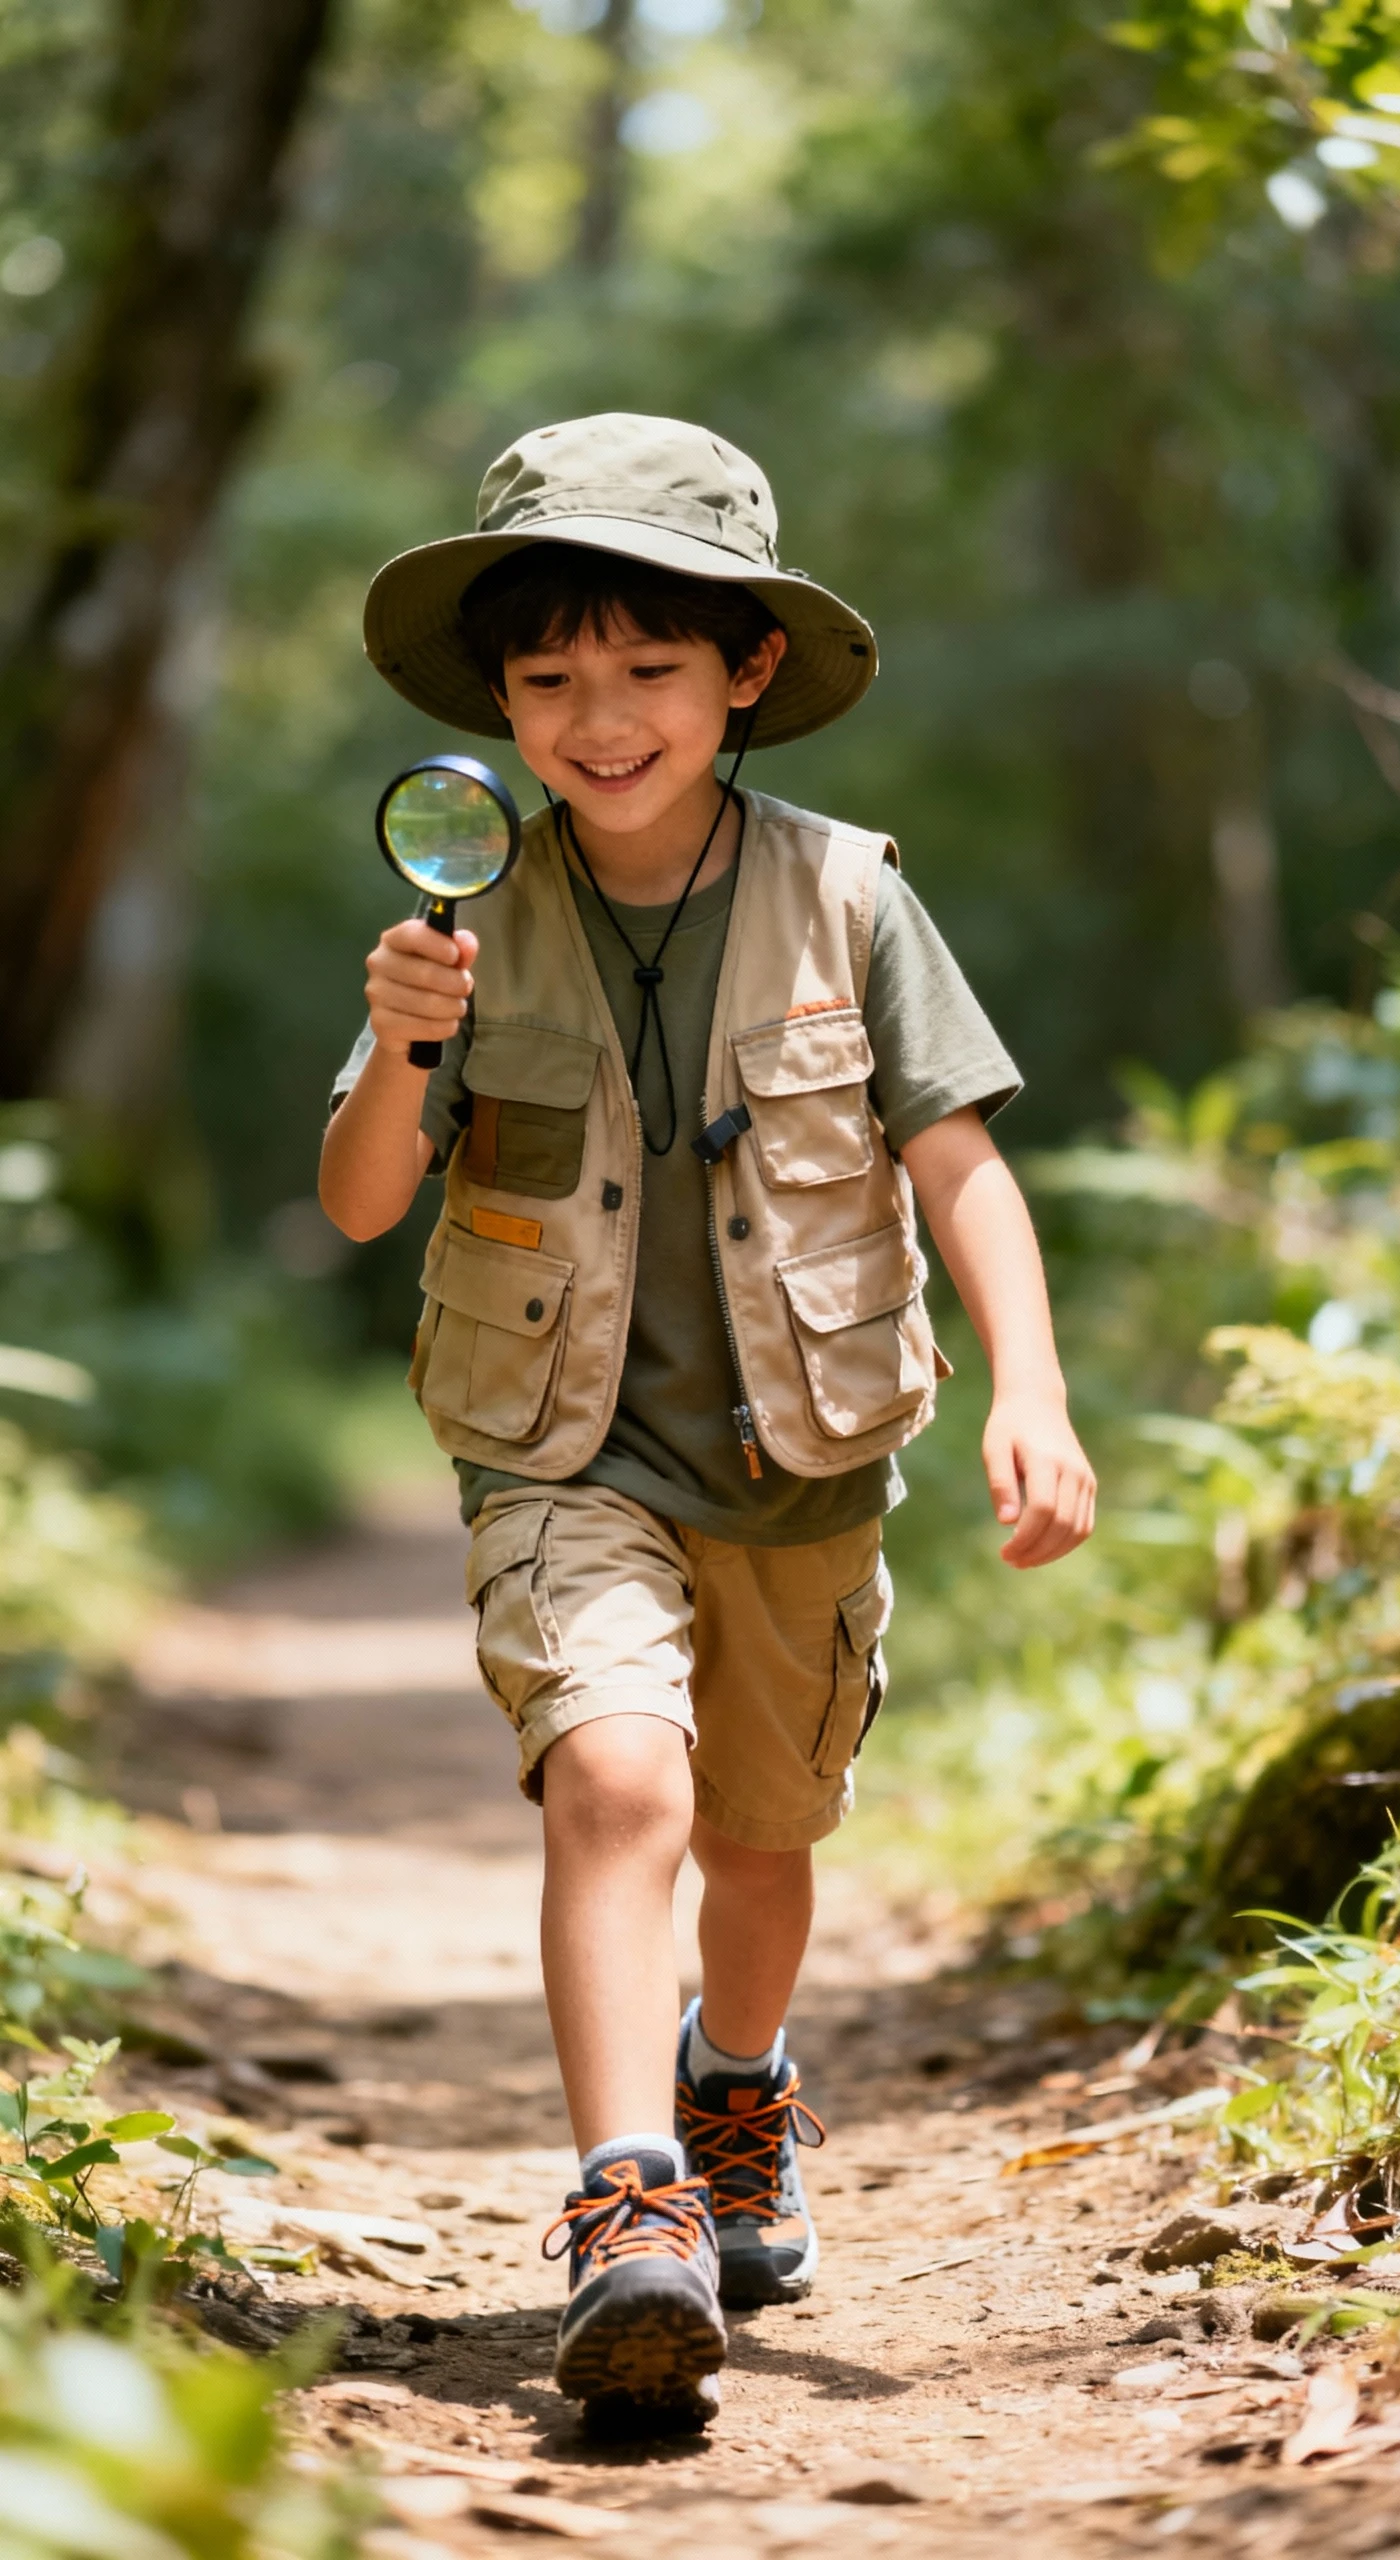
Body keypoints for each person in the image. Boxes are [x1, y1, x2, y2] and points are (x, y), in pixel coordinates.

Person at [319, 411, 1095, 2430]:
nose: (599, 717)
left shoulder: (850, 895)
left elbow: (960, 1159)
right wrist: (404, 1039)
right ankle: (627, 2198)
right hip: (561, 1456)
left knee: (761, 1839)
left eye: (649, 669)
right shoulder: (464, 920)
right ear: (496, 700)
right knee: (621, 1785)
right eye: (551, 678)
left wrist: (1038, 1384)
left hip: (798, 1465)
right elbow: (357, 1194)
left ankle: (734, 2079)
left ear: (745, 671)